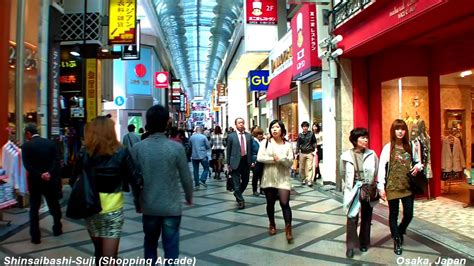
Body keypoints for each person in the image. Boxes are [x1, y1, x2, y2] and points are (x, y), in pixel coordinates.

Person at [131, 105, 193, 263]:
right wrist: (188, 196)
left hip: (149, 205)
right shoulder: (176, 148)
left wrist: (137, 201)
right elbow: (186, 177)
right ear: (167, 123)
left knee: (150, 243)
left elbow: (134, 180)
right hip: (171, 207)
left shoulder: (138, 148)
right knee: (171, 247)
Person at [73, 116, 139, 263]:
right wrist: (138, 201)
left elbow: (73, 180)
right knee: (109, 257)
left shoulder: (85, 152)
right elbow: (135, 179)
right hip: (113, 209)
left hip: (90, 207)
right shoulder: (122, 152)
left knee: (99, 252)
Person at [378, 119, 423, 255]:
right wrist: (381, 186)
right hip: (392, 186)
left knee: (409, 214)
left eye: (403, 129)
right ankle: (397, 240)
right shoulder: (388, 147)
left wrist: (418, 166)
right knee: (393, 215)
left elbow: (419, 162)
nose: (400, 132)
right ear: (393, 131)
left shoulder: (410, 146)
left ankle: (400, 230)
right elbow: (381, 167)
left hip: (407, 186)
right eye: (397, 129)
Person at [21, 123, 62, 244]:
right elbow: (56, 160)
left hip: (35, 182)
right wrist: (48, 173)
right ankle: (57, 228)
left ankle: (35, 236)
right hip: (50, 181)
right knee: (54, 204)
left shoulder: (26, 146)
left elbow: (27, 165)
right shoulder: (50, 143)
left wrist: (39, 174)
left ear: (28, 133)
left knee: (34, 208)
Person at [341, 128, 379, 258]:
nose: (366, 140)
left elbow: (376, 170)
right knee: (352, 217)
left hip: (368, 188)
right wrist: (350, 185)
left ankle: (364, 242)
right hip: (353, 189)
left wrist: (371, 184)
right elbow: (342, 173)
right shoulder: (346, 156)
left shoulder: (372, 154)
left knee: (367, 217)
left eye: (366, 137)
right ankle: (350, 246)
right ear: (354, 140)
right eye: (362, 137)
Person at [257, 120, 294, 243]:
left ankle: (288, 228)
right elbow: (260, 157)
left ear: (282, 130)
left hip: (283, 177)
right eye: (272, 127)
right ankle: (272, 223)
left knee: (284, 203)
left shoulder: (287, 145)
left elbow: (290, 162)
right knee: (270, 203)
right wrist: (273, 159)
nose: (274, 129)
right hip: (269, 177)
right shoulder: (265, 142)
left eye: (277, 127)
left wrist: (282, 159)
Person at [227, 118, 253, 209]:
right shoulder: (231, 136)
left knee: (245, 181)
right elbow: (228, 150)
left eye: (242, 122)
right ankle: (240, 200)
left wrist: (252, 161)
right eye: (239, 123)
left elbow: (251, 150)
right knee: (236, 182)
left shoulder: (249, 136)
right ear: (236, 125)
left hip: (246, 161)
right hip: (235, 162)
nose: (241, 124)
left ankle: (237, 193)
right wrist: (228, 164)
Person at [297, 121, 317, 187]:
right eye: (303, 127)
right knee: (302, 167)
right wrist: (297, 151)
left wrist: (314, 149)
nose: (305, 128)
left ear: (308, 127)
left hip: (309, 152)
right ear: (302, 127)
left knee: (309, 167)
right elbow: (298, 144)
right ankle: (303, 179)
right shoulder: (300, 135)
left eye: (306, 127)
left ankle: (309, 180)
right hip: (302, 152)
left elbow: (314, 142)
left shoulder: (311, 134)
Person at [251, 126, 265, 196]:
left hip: (262, 160)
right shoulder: (252, 142)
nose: (260, 135)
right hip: (255, 161)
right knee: (255, 176)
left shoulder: (262, 141)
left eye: (261, 134)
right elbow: (250, 152)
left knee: (262, 176)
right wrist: (251, 162)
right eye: (259, 134)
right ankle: (254, 190)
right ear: (256, 134)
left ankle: (262, 189)